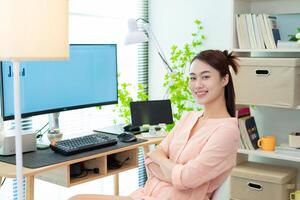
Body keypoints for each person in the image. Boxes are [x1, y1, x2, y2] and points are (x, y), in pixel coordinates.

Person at [69, 49, 240, 200]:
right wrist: (173, 172)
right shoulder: (189, 117)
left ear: (224, 79)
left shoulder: (227, 131)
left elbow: (186, 178)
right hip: (145, 195)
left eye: (206, 77)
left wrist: (163, 162)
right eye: (192, 78)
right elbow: (151, 160)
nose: (197, 85)